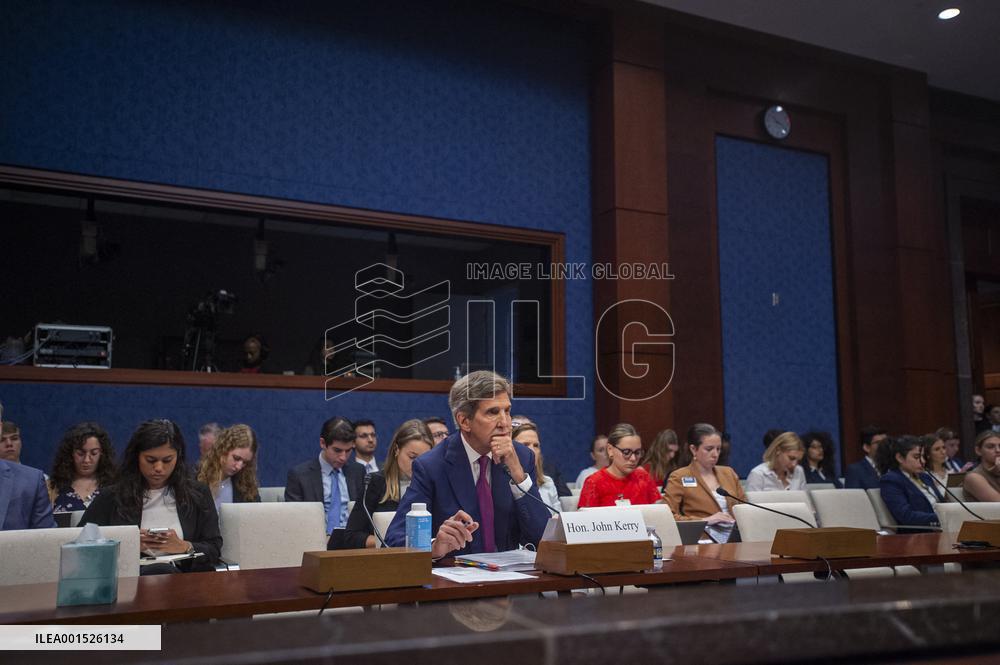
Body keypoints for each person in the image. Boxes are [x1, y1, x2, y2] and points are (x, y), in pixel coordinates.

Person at [384, 371, 550, 557]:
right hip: (455, 579)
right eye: (493, 412)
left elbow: (542, 538)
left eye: (507, 411)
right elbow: (393, 540)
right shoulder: (432, 466)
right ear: (464, 421)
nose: (505, 423)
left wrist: (518, 474)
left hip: (509, 578)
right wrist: (434, 545)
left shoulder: (522, 457)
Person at [80, 419, 221, 572]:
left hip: (184, 581)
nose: (159, 468)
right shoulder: (111, 497)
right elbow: (81, 546)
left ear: (178, 457)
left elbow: (214, 548)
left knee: (166, 572)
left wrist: (185, 546)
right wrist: (128, 545)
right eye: (150, 460)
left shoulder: (197, 494)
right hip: (131, 580)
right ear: (137, 457)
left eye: (167, 460)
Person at [330, 419, 434, 550]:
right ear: (396, 449)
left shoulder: (433, 485)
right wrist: (391, 543)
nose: (418, 465)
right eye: (412, 457)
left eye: (424, 458)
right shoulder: (375, 483)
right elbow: (351, 537)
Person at [664, 423, 745, 543]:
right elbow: (668, 517)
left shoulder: (729, 473)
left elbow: (745, 509)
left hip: (735, 539)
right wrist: (705, 520)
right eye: (709, 449)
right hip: (703, 540)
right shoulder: (679, 476)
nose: (715, 454)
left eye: (718, 449)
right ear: (693, 449)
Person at [285, 416, 365, 534]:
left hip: (352, 541)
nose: (343, 457)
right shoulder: (299, 475)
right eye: (337, 450)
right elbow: (295, 520)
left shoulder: (358, 471)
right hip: (315, 539)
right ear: (323, 443)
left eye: (348, 451)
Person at [578, 424, 662, 508]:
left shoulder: (644, 478)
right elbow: (584, 519)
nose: (633, 458)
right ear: (610, 450)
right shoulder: (594, 482)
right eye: (626, 452)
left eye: (637, 453)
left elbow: (659, 513)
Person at [876, 435, 944, 532]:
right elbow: (906, 516)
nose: (923, 461)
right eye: (916, 457)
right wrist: (941, 518)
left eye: (923, 456)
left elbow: (943, 503)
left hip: (943, 527)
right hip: (919, 534)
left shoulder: (925, 477)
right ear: (900, 458)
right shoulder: (891, 480)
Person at [48, 422, 117, 513]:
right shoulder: (51, 487)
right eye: (80, 454)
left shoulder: (116, 485)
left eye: (94, 453)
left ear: (102, 454)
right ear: (70, 453)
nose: (86, 460)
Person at [197, 424, 261, 512]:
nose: (239, 466)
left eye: (245, 462)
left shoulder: (247, 487)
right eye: (236, 458)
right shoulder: (196, 478)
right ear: (223, 449)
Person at [512, 422, 561, 514]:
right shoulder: (502, 484)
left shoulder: (547, 482)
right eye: (525, 445)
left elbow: (560, 521)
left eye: (536, 445)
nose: (532, 451)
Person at [963, 431, 1000, 502]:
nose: (998, 450)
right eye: (990, 447)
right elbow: (998, 505)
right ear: (978, 450)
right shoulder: (973, 477)